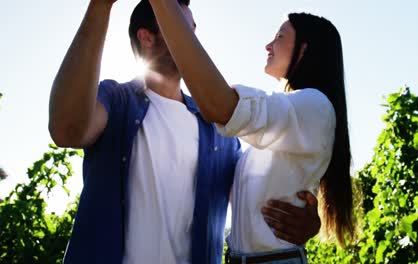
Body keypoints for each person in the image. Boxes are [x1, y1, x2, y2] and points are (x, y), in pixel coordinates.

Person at [48, 0, 321, 263]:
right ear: (147, 38)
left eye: (191, 30)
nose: (192, 39)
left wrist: (307, 220)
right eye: (180, 26)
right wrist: (100, 5)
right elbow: (66, 130)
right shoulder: (115, 101)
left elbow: (253, 199)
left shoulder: (219, 131)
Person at [148, 1, 356, 263]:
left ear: (304, 49)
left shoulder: (314, 105)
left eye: (280, 37)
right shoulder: (282, 120)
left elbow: (221, 107)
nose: (268, 45)